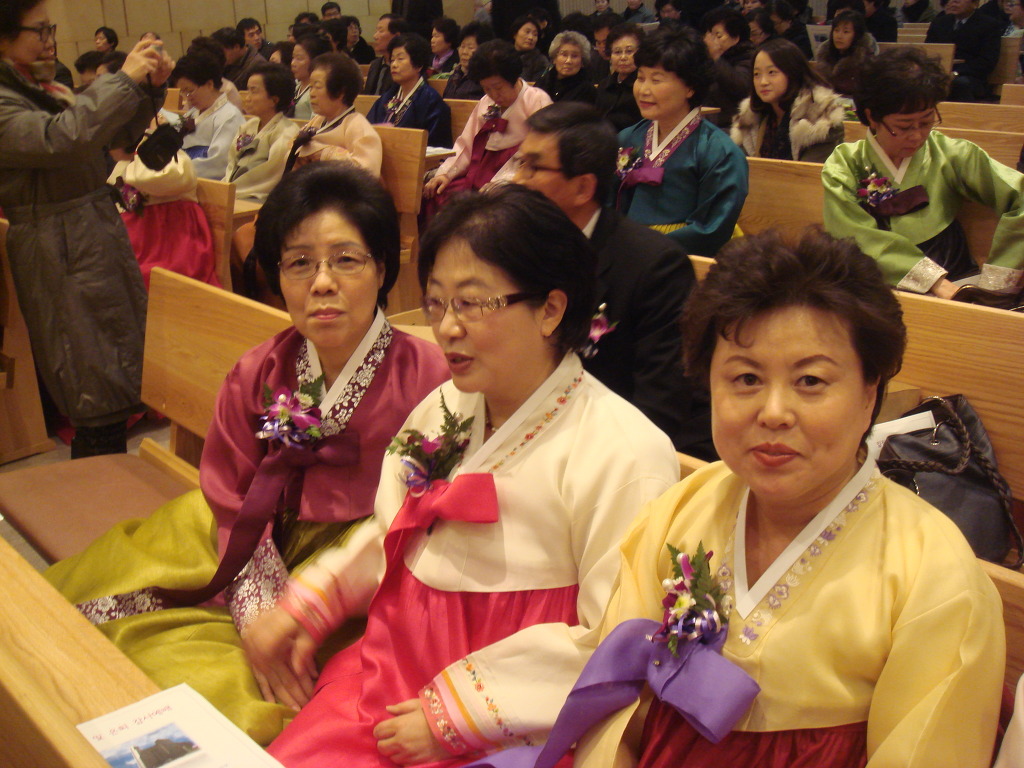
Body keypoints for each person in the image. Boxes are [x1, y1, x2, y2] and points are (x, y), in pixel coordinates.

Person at [251, 183, 680, 767]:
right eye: (437, 304)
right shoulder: (446, 407)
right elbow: (395, 537)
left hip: (512, 722)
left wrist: (455, 716)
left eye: (472, 303)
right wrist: (310, 603)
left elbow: (619, 641)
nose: (447, 328)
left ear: (551, 309)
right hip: (392, 674)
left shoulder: (623, 452)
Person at [570, 227, 1005, 768]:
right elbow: (615, 705)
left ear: (869, 391)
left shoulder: (934, 575)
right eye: (746, 378)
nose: (773, 412)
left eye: (811, 381)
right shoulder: (680, 510)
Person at [47, 162, 450, 746]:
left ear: (383, 267)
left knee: (241, 694)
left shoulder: (432, 381)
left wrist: (300, 607)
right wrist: (257, 605)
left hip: (357, 575)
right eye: (299, 262)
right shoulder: (260, 368)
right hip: (243, 536)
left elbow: (431, 518)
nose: (322, 283)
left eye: (346, 259)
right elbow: (230, 488)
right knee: (92, 614)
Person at [0, 3, 170, 458]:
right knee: (89, 377)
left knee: (113, 372)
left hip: (86, 230)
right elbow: (62, 138)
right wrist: (123, 80)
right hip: (57, 242)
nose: (50, 40)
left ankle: (108, 481)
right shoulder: (6, 99)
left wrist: (149, 90)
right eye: (39, 31)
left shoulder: (42, 87)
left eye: (50, 29)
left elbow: (107, 140)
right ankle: (99, 487)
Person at [512, 102, 713, 458]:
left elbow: (659, 408)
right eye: (519, 163)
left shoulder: (655, 267)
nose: (517, 180)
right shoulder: (515, 247)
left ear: (583, 188)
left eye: (534, 167)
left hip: (622, 448)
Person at [823, 47, 1024, 298]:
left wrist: (997, 279)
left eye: (927, 122)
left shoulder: (951, 154)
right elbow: (853, 235)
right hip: (876, 287)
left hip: (956, 274)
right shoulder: (845, 164)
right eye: (904, 126)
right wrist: (934, 282)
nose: (917, 136)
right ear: (871, 117)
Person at [614, 27, 748, 257]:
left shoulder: (718, 151)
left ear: (690, 87)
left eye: (656, 80)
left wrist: (646, 247)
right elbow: (610, 204)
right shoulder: (628, 138)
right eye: (640, 77)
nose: (643, 89)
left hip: (681, 258)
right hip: (627, 250)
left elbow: (711, 228)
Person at [423, 40, 552, 208]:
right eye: (487, 89)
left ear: (513, 79)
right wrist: (446, 174)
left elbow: (537, 155)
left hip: (515, 175)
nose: (493, 95)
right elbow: (467, 144)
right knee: (438, 194)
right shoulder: (486, 102)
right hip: (480, 169)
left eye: (498, 88)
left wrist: (502, 183)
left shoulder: (536, 100)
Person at [107, 144, 218, 290]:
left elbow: (152, 179)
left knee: (141, 277)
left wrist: (139, 149)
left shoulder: (171, 157)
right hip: (139, 233)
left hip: (173, 238)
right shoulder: (126, 161)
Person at [731, 38, 845, 162]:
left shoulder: (820, 117)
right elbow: (740, 164)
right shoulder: (750, 118)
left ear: (792, 72)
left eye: (771, 72)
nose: (763, 82)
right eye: (756, 74)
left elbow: (809, 171)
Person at [291, 52, 384, 176]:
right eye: (311, 87)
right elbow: (292, 149)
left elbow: (367, 172)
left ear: (340, 92)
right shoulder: (317, 121)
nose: (311, 94)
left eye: (318, 87)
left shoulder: (357, 126)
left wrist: (323, 153)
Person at [225, 63, 302, 202]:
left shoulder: (287, 132)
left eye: (253, 91)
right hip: (235, 190)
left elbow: (271, 174)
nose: (247, 98)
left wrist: (233, 190)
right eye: (247, 90)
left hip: (260, 196)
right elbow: (232, 161)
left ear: (274, 100)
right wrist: (226, 186)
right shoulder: (248, 126)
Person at [367, 33, 453, 147]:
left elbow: (436, 145)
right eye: (392, 60)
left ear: (418, 65)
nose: (394, 65)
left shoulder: (431, 102)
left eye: (400, 59)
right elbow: (367, 129)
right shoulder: (387, 97)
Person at [173, 51, 246, 180]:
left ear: (209, 84)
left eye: (189, 91)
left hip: (202, 181)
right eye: (183, 93)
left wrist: (174, 170)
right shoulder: (193, 113)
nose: (187, 98)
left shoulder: (229, 117)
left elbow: (218, 164)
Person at [926, 0, 1003, 101]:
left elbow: (987, 61)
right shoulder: (939, 22)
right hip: (940, 72)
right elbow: (928, 52)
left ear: (974, 4)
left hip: (971, 77)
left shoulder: (989, 24)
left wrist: (956, 73)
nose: (954, 2)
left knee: (958, 83)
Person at [702, 6, 756, 129]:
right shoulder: (714, 59)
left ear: (735, 38)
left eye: (718, 36)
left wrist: (715, 57)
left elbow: (740, 86)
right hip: (709, 121)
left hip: (733, 126)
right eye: (710, 36)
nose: (711, 42)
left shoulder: (749, 56)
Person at [595, 22, 644, 131]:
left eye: (629, 51)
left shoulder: (644, 87)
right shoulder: (604, 85)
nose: (623, 57)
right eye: (617, 52)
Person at [813, 9, 872, 96]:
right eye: (836, 30)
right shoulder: (825, 55)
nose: (839, 36)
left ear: (857, 35)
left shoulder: (865, 60)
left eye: (846, 32)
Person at [536, 31, 597, 104]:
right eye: (564, 55)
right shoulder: (544, 81)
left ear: (582, 61)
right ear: (555, 58)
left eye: (574, 56)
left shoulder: (587, 91)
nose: (568, 61)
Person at [443, 21, 495, 99]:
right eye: (462, 46)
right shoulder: (455, 75)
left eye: (470, 48)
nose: (464, 52)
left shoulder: (485, 79)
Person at [364, 14, 409, 95]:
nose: (375, 36)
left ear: (396, 36)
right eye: (376, 31)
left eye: (381, 31)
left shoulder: (407, 67)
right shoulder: (375, 64)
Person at [292, 34, 332, 120]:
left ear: (316, 60)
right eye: (293, 57)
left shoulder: (320, 92)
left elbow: (317, 123)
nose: (293, 63)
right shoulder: (296, 85)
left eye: (299, 58)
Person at [214, 26, 267, 90]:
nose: (219, 55)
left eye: (221, 51)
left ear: (236, 47)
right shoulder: (226, 62)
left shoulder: (258, 64)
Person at [509, 15, 548, 81]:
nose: (531, 37)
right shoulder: (503, 56)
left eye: (535, 34)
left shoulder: (541, 61)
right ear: (515, 34)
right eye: (527, 32)